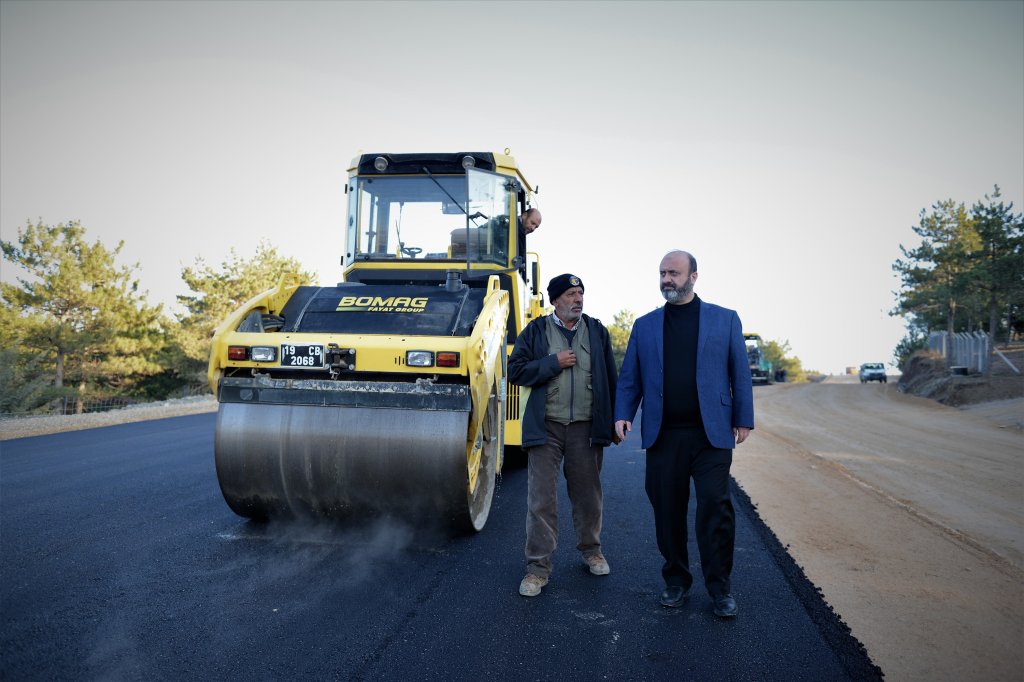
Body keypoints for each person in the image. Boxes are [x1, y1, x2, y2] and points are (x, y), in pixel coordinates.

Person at [614, 250, 754, 618]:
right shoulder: (645, 325)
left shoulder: (724, 320)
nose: (666, 280)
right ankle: (676, 580)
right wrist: (623, 414)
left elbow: (740, 372)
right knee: (667, 511)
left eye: (674, 273)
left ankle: (720, 588)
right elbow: (631, 377)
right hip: (665, 435)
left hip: (711, 435)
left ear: (694, 277)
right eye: (662, 273)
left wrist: (744, 418)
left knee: (715, 508)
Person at [508, 273, 619, 597]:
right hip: (547, 427)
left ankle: (591, 551)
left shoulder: (597, 331)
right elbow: (516, 371)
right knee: (541, 499)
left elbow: (610, 377)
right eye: (570, 294)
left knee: (588, 495)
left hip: (586, 427)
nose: (578, 299)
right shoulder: (536, 331)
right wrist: (552, 363)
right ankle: (537, 569)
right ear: (555, 300)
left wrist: (613, 422)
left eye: (581, 293)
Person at [515, 208, 542, 275]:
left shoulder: (517, 229)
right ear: (524, 215)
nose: (533, 228)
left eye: (536, 227)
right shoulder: (516, 230)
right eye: (532, 223)